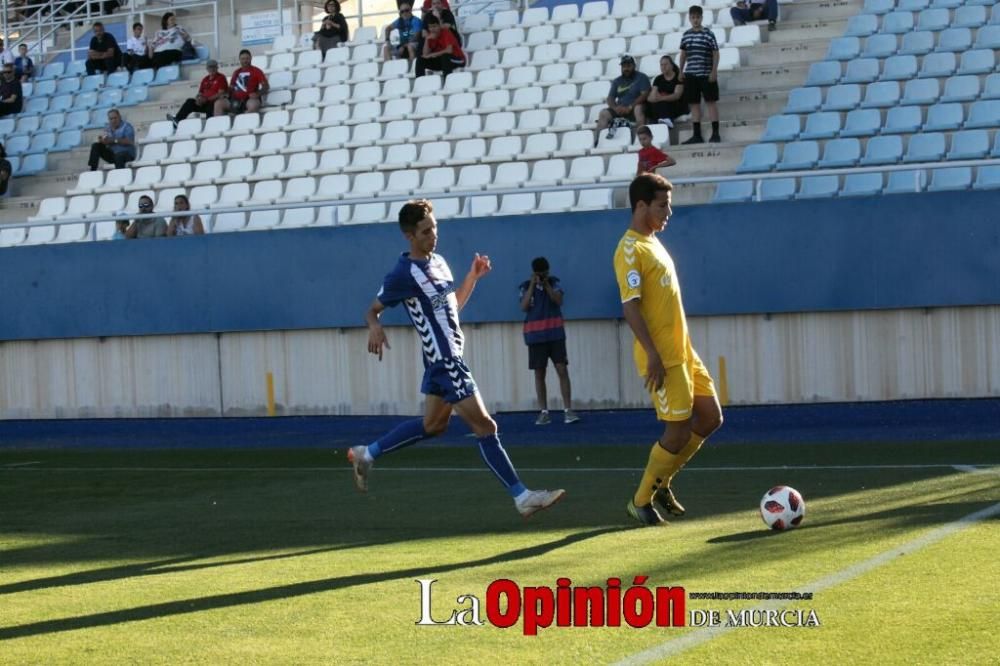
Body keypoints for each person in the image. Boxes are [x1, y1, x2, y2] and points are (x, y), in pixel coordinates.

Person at [350, 199, 566, 519]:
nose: (433, 235)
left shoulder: (438, 262)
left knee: (433, 425)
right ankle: (522, 497)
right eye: (425, 231)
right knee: (486, 426)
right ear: (409, 235)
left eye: (434, 227)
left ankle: (366, 454)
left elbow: (451, 308)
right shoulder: (402, 273)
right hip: (445, 360)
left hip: (445, 360)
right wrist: (375, 327)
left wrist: (472, 278)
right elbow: (372, 309)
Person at [613, 174, 723, 526]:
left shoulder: (654, 243)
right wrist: (654, 354)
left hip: (684, 352)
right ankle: (640, 500)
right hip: (661, 357)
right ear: (641, 205)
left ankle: (662, 482)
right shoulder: (629, 249)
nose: (669, 212)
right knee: (675, 431)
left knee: (710, 417)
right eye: (662, 205)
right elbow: (631, 306)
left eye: (669, 204)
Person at [518, 257, 579, 426]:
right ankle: (544, 412)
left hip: (555, 334)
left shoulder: (554, 283)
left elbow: (558, 301)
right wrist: (532, 284)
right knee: (539, 373)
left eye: (544, 273)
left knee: (562, 369)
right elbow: (523, 307)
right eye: (539, 273)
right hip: (535, 336)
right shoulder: (524, 286)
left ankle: (568, 410)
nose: (543, 275)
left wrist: (546, 285)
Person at [678, 5, 721, 144]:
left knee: (710, 103)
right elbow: (683, 54)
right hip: (691, 75)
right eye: (693, 17)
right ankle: (697, 135)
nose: (695, 20)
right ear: (689, 18)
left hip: (706, 74)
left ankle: (715, 133)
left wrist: (714, 71)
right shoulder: (686, 35)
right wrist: (680, 70)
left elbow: (715, 53)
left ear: (701, 18)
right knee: (694, 104)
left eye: (698, 17)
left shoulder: (708, 34)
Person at [595, 55, 651, 145]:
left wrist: (630, 106)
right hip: (620, 109)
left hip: (635, 107)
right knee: (603, 113)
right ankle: (599, 143)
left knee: (638, 109)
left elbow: (645, 94)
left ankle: (640, 141)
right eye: (624, 66)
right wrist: (615, 108)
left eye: (628, 66)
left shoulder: (641, 77)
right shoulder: (617, 81)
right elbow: (610, 98)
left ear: (634, 66)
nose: (626, 68)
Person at [167, 60, 227, 127]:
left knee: (211, 105)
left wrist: (207, 99)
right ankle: (177, 120)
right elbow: (199, 93)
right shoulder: (205, 79)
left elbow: (221, 93)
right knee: (190, 101)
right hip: (203, 102)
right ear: (207, 68)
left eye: (214, 67)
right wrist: (198, 99)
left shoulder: (221, 77)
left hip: (213, 103)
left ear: (217, 67)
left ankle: (210, 126)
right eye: (210, 67)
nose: (212, 69)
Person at [215, 50, 268, 116]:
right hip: (235, 100)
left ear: (251, 58)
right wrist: (226, 94)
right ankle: (221, 125)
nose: (245, 61)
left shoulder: (257, 71)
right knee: (218, 104)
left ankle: (243, 122)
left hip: (249, 99)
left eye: (247, 58)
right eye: (243, 59)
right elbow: (231, 87)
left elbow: (266, 86)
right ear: (239, 60)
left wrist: (257, 94)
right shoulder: (236, 72)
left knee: (253, 105)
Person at [645, 55, 688, 128]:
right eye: (661, 65)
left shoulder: (678, 77)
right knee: (650, 103)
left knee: (663, 102)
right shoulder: (658, 78)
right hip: (661, 105)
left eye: (666, 64)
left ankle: (665, 121)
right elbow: (653, 96)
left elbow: (677, 95)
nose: (663, 67)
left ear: (671, 65)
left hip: (676, 104)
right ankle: (661, 122)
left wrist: (661, 98)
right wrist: (654, 98)